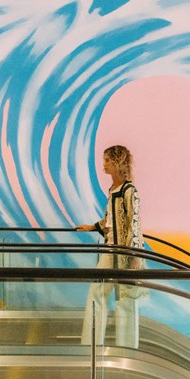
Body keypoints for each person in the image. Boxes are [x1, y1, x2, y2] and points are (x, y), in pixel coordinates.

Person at [75, 145, 144, 348]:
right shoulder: (113, 189)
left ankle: (127, 347)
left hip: (125, 253)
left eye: (107, 160)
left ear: (116, 162)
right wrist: (92, 226)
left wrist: (134, 256)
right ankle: (92, 344)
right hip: (110, 249)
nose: (103, 164)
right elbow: (110, 219)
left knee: (126, 300)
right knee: (97, 293)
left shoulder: (129, 191)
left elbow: (135, 224)